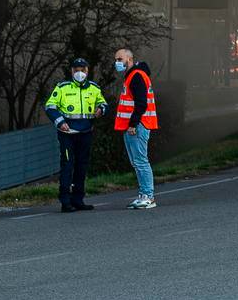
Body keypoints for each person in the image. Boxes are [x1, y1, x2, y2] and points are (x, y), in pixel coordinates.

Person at [45, 57, 106, 213]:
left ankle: (78, 199)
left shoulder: (94, 87)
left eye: (82, 70)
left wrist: (101, 109)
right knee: (67, 164)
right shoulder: (62, 87)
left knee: (82, 166)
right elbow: (50, 107)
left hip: (85, 133)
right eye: (76, 70)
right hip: (67, 133)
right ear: (72, 71)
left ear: (87, 71)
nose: (79, 73)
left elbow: (103, 103)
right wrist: (60, 122)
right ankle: (65, 201)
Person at [113, 47, 159, 210]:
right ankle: (144, 194)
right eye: (116, 60)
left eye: (120, 59)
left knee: (140, 161)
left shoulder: (136, 76)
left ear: (129, 59)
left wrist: (133, 124)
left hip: (138, 125)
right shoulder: (133, 75)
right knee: (137, 161)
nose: (117, 62)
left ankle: (148, 196)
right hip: (134, 125)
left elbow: (141, 103)